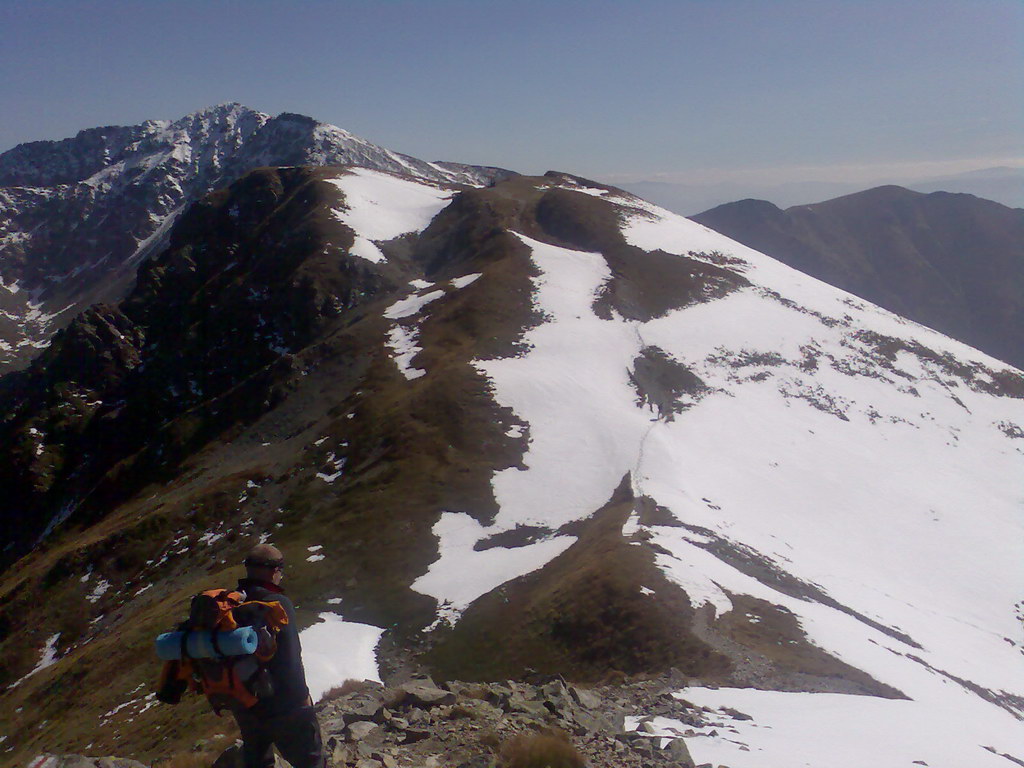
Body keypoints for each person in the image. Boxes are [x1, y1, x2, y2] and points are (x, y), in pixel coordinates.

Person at [232, 543, 325, 768]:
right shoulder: (277, 604)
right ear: (275, 571)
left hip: (246, 705)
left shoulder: (233, 604)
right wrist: (303, 699)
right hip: (284, 704)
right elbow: (290, 657)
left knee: (259, 762)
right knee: (310, 761)